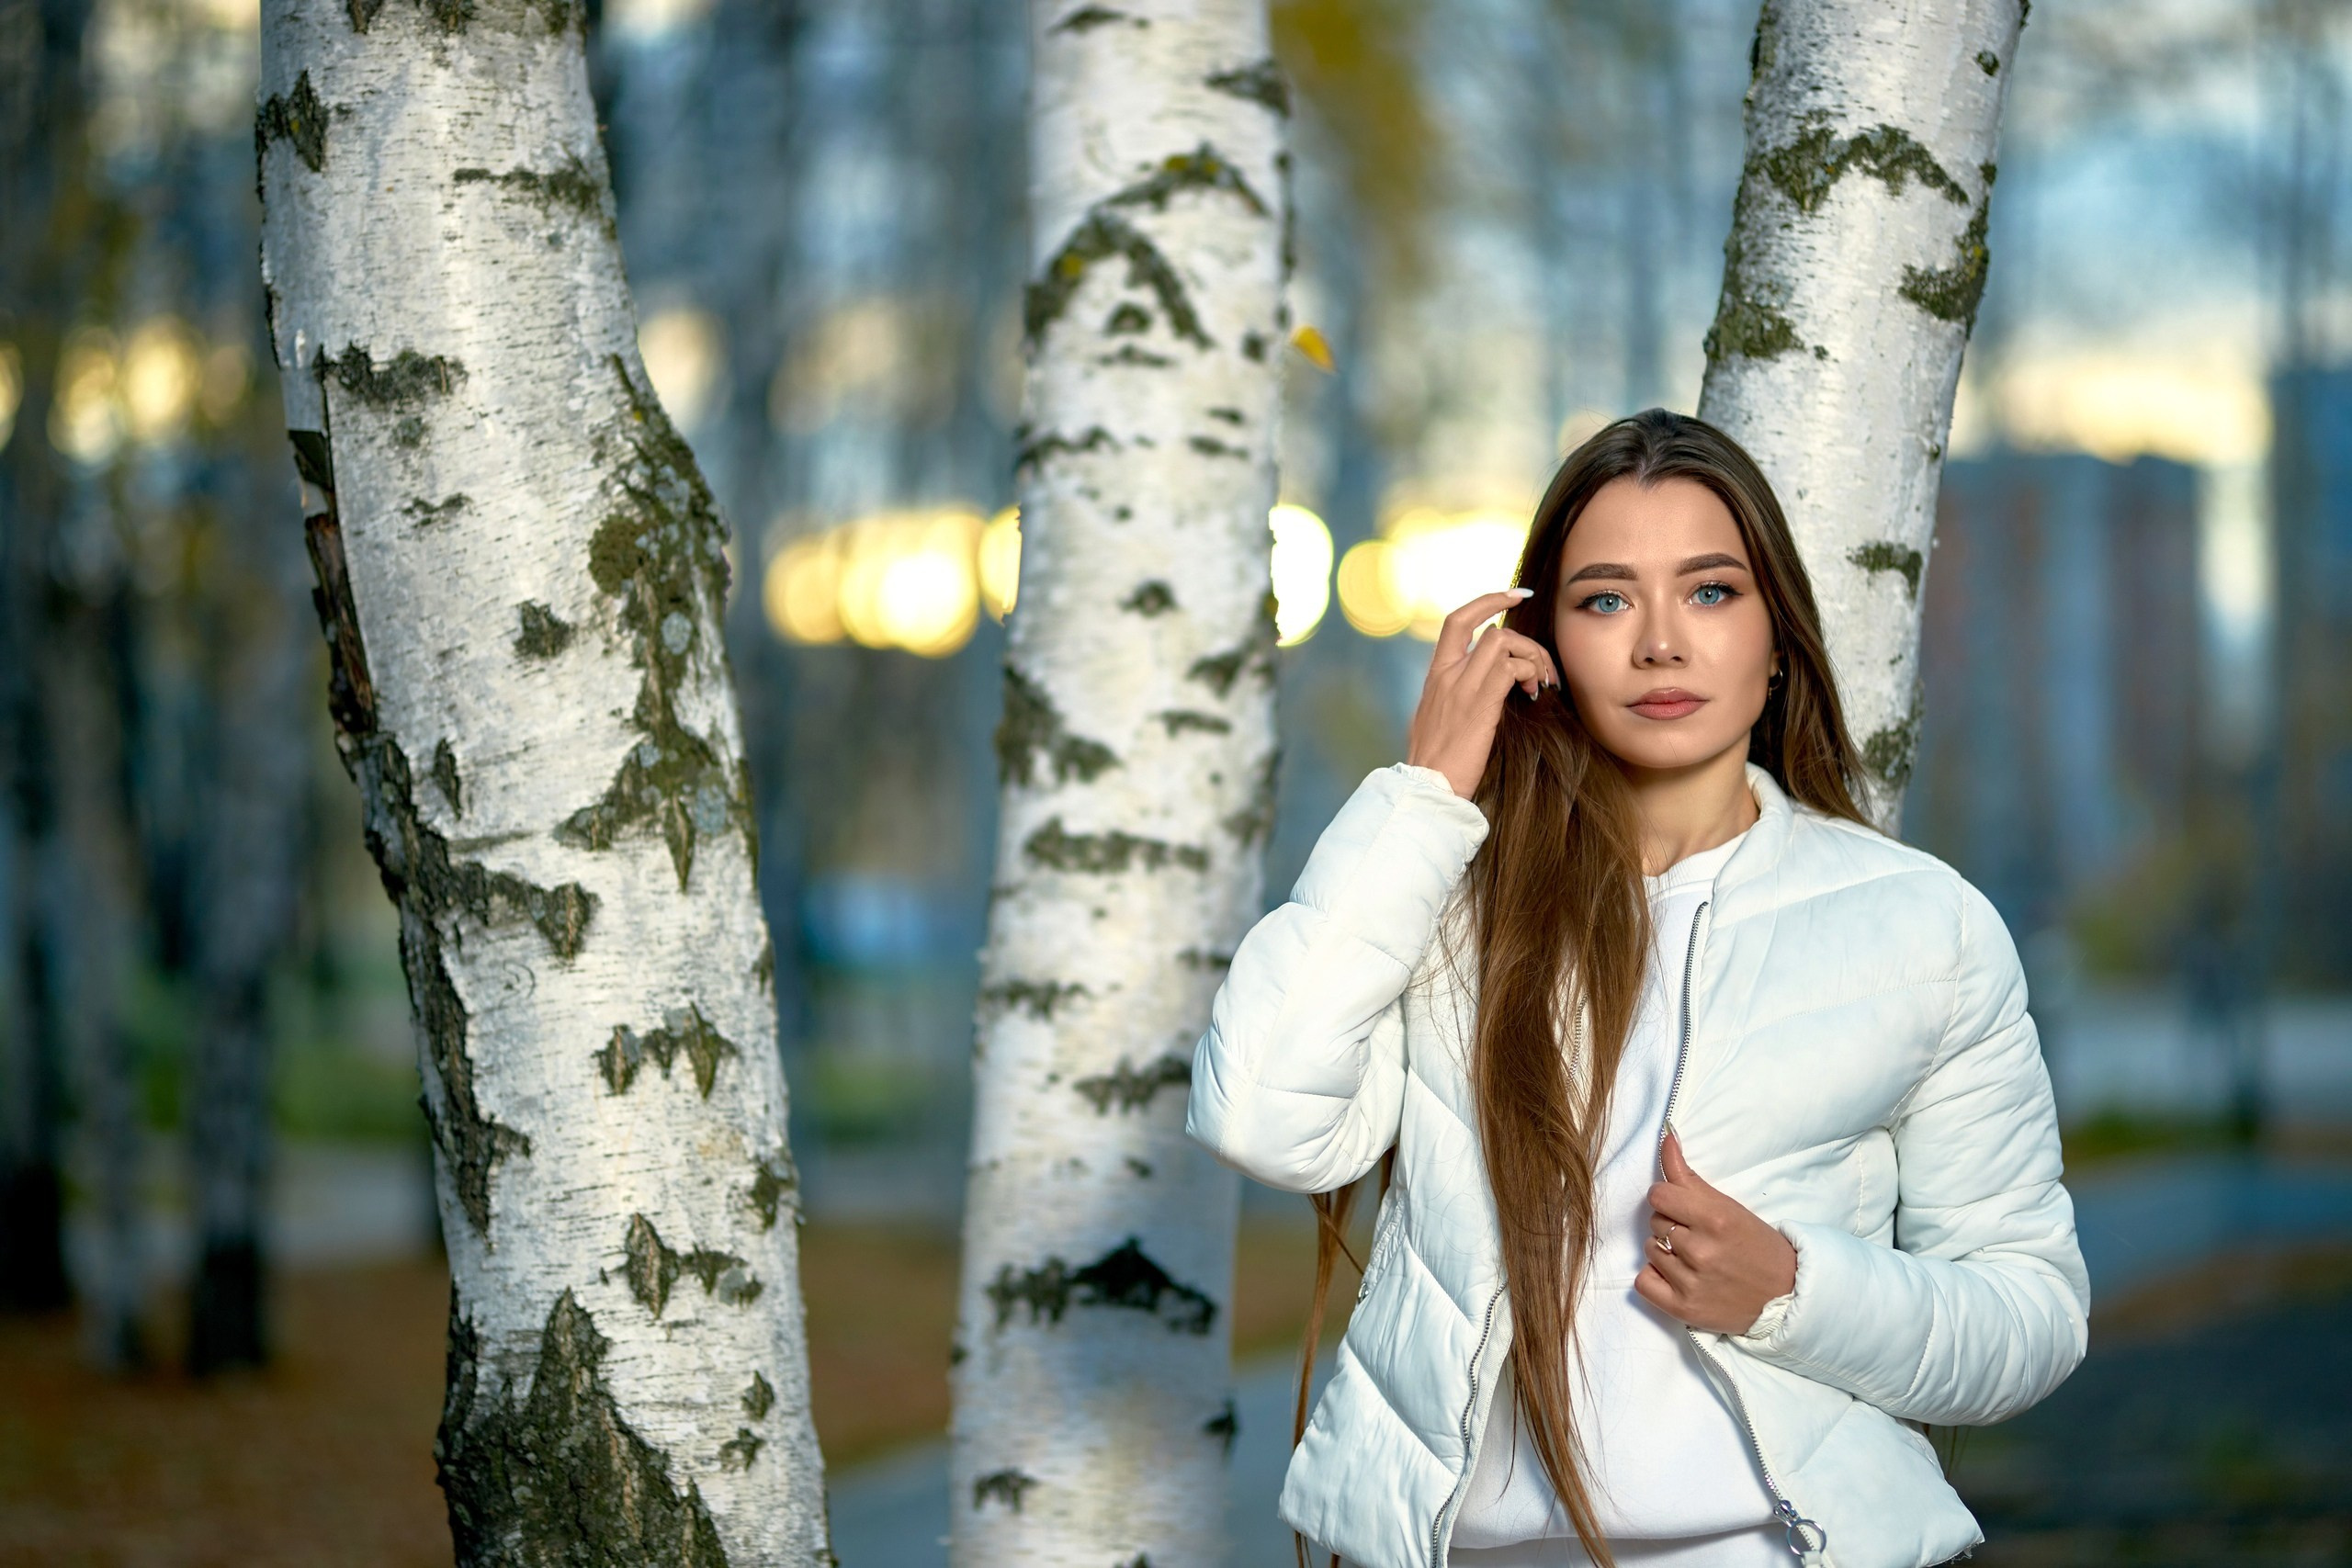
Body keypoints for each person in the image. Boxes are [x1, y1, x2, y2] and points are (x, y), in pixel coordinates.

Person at [1186, 410, 2089, 1568]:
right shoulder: (1446, 901)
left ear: (1778, 637)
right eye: (1606, 600)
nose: (1660, 644)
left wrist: (1792, 1290)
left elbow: (2029, 1316)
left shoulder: (1923, 926)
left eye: (1709, 591)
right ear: (1545, 645)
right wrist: (1424, 794)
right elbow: (1259, 1117)